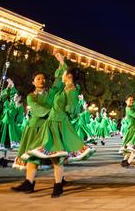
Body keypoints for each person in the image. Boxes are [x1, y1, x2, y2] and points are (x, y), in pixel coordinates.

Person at [17, 54, 95, 197]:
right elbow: (59, 82)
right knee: (35, 153)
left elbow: (73, 109)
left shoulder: (70, 90)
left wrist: (63, 115)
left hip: (58, 124)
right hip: (50, 124)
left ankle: (58, 185)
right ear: (33, 82)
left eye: (65, 74)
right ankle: (30, 182)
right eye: (38, 78)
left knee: (56, 156)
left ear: (69, 77)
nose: (61, 76)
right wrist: (61, 62)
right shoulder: (60, 90)